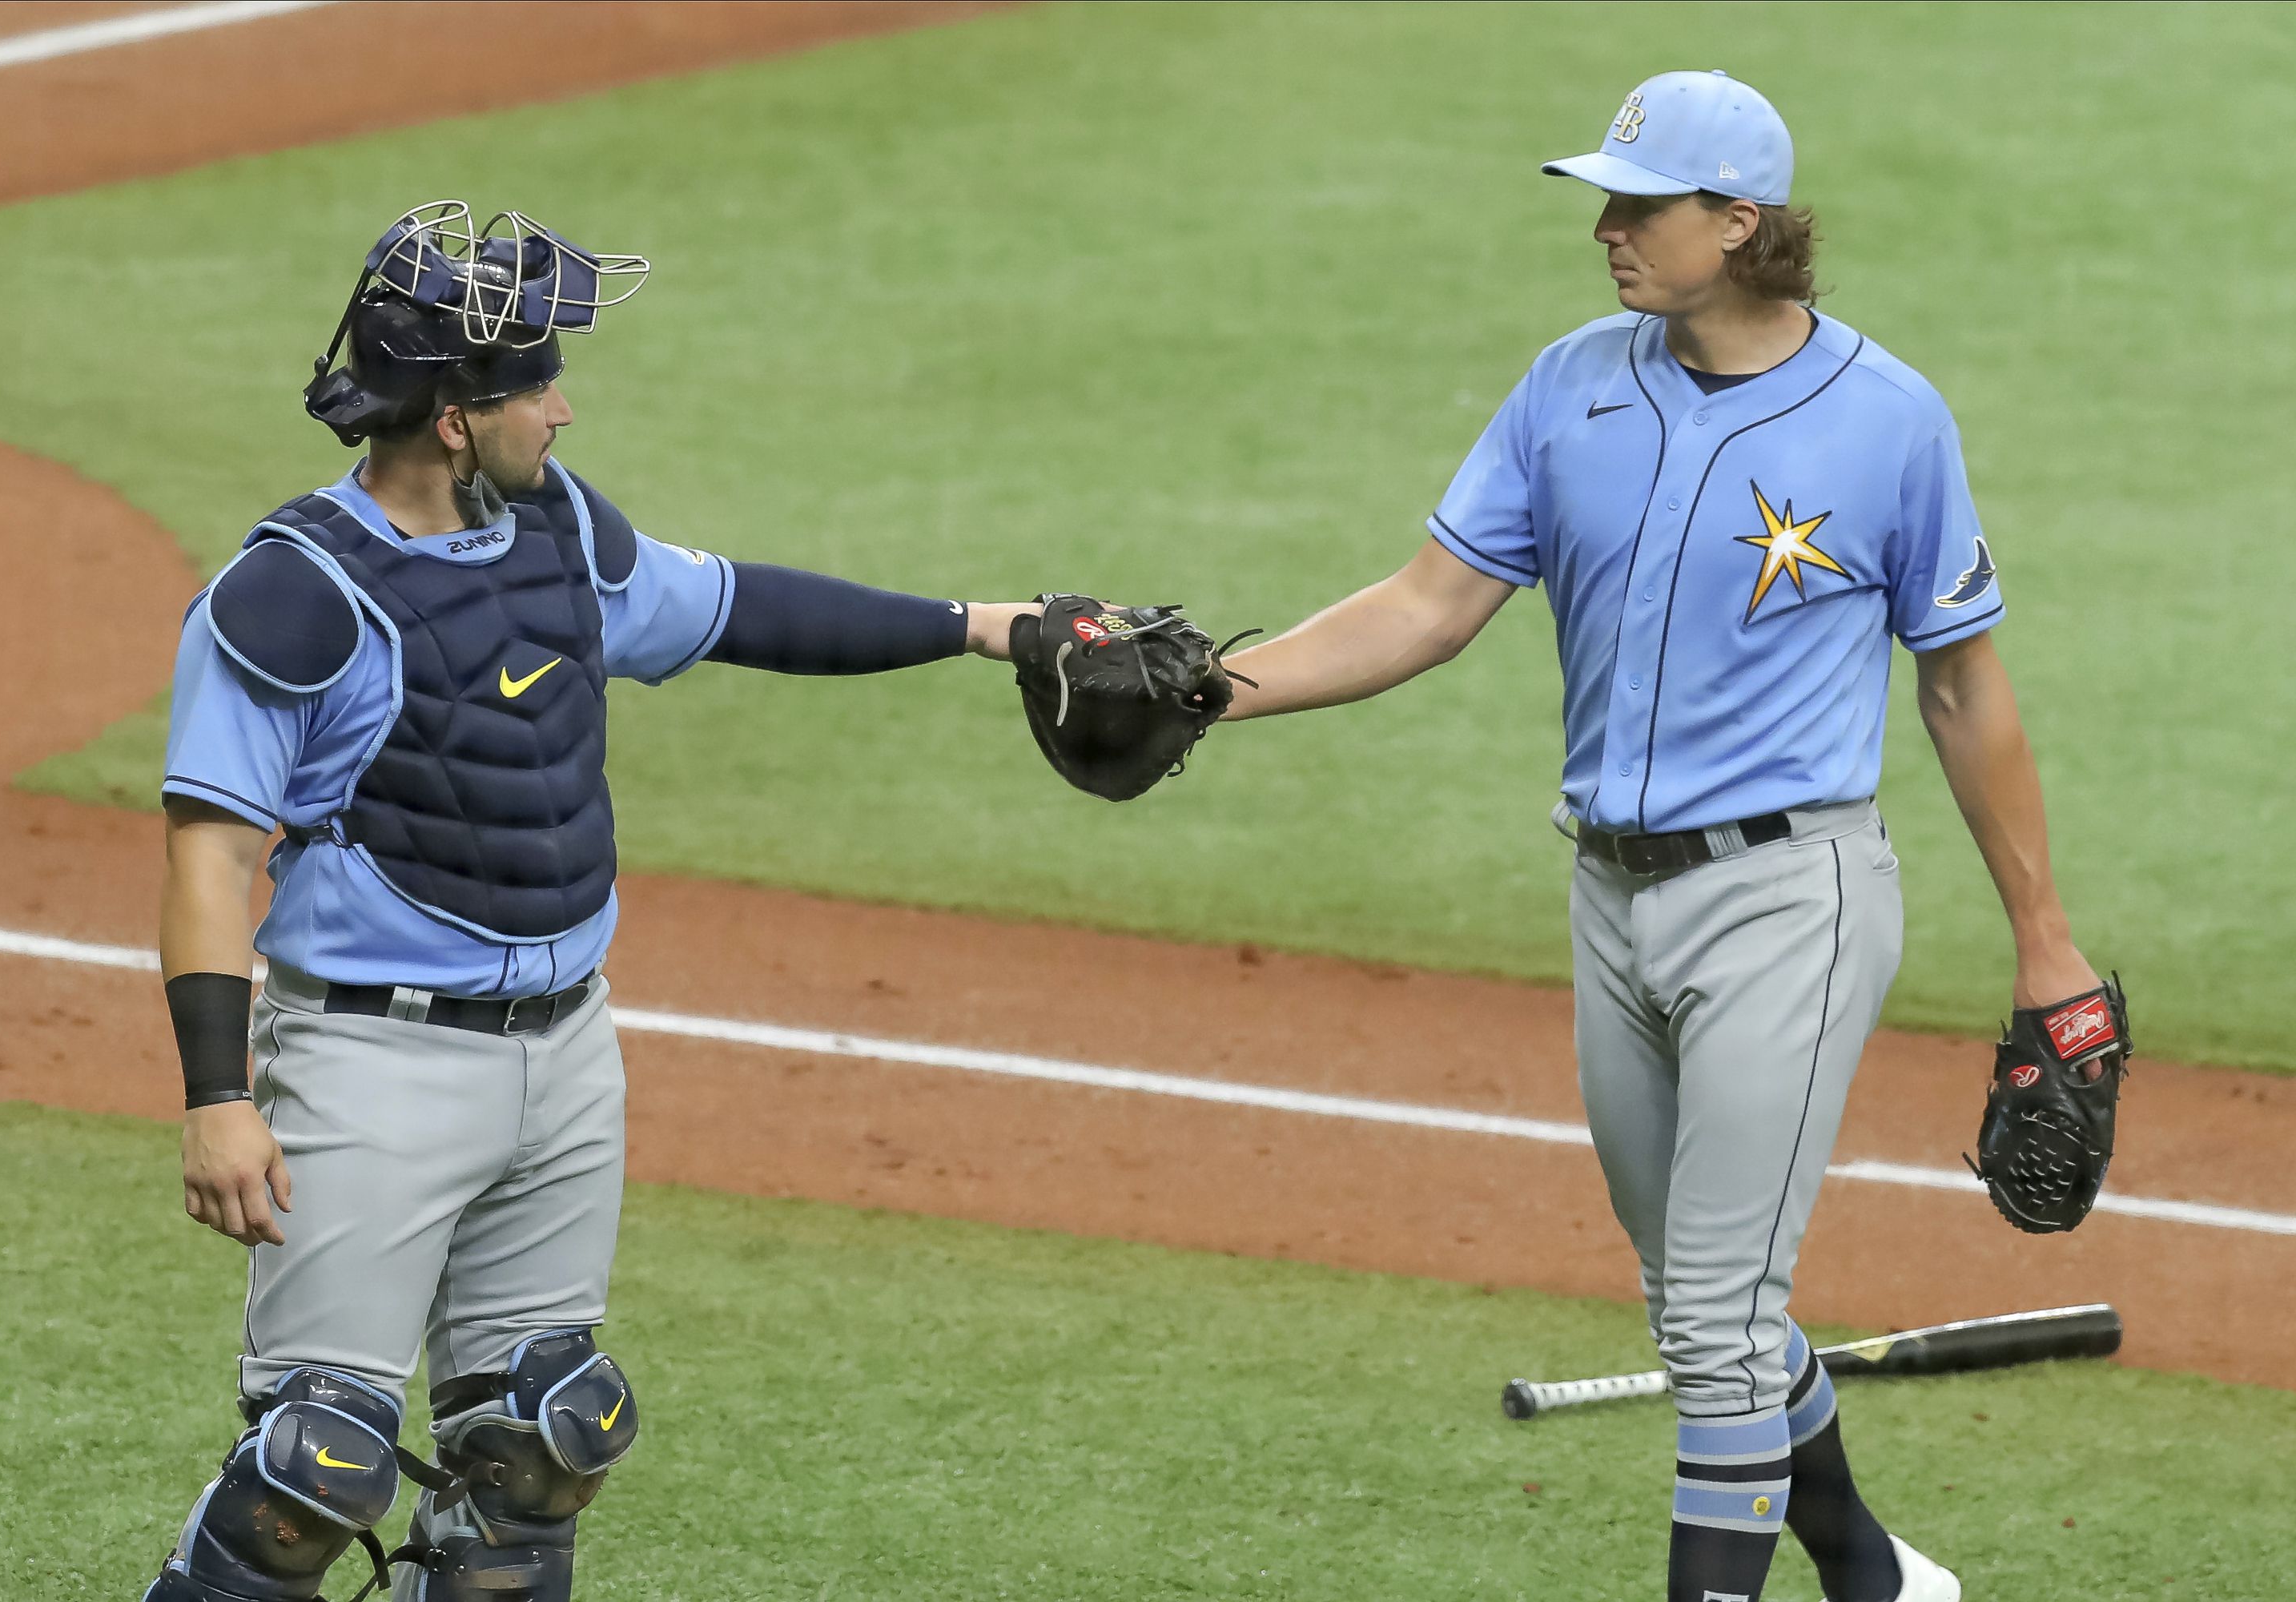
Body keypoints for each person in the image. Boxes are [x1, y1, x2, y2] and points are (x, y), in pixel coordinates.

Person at [1216, 70, 2106, 1602]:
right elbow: (1428, 606)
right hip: (1612, 902)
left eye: (1643, 204)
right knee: (1710, 1305)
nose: (1610, 231)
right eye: (1606, 200)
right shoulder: (1571, 385)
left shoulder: (1888, 420)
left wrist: (2044, 941)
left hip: (1792, 899)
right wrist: (1217, 690)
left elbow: (1962, 687)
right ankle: (1872, 1573)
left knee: (1709, 1316)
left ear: (1740, 223)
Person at [146, 202, 1035, 1602]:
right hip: (373, 1064)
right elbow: (211, 856)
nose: (561, 406)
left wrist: (988, 625)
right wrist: (216, 1097)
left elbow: (739, 608)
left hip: (566, 1058)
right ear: (453, 414)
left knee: (543, 1451)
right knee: (309, 1478)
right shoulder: (295, 596)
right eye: (532, 384)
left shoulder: (559, 533)